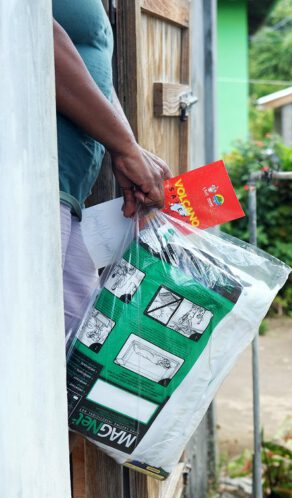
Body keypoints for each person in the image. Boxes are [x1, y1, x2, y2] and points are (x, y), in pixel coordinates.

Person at [53, 0, 171, 341]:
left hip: (67, 191)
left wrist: (128, 147)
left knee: (79, 343)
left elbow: (92, 71)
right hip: (26, 183)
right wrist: (124, 146)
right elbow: (38, 45)